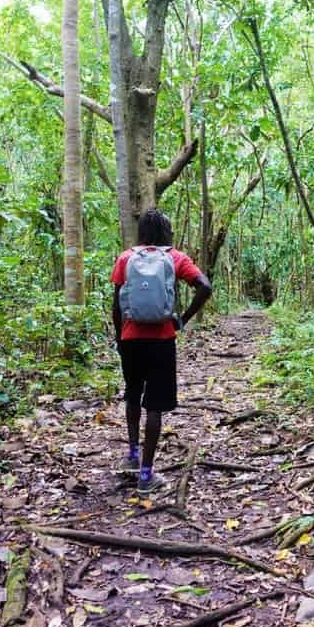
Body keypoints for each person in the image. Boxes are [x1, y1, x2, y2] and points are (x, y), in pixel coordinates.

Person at [110, 209, 212, 493]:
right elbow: (205, 286)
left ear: (141, 232)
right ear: (167, 232)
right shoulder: (175, 258)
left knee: (133, 394)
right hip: (162, 340)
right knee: (154, 405)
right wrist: (183, 319)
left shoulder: (125, 258)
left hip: (130, 339)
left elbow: (116, 305)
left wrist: (120, 338)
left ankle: (132, 455)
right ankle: (146, 475)